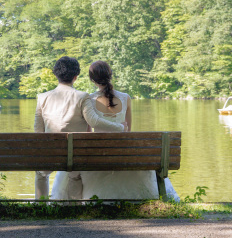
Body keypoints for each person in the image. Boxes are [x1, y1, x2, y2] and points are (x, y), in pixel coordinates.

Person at [53, 60, 180, 201]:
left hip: (98, 155)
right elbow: (128, 132)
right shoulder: (126, 98)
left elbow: (87, 134)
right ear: (110, 75)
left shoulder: (89, 99)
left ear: (92, 80)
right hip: (122, 153)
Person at [35, 56, 127, 199]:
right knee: (74, 175)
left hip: (51, 153)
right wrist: (120, 127)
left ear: (56, 75)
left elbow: (38, 131)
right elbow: (95, 122)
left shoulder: (42, 97)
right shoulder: (82, 96)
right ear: (75, 77)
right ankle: (75, 208)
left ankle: (41, 205)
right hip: (74, 154)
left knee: (41, 173)